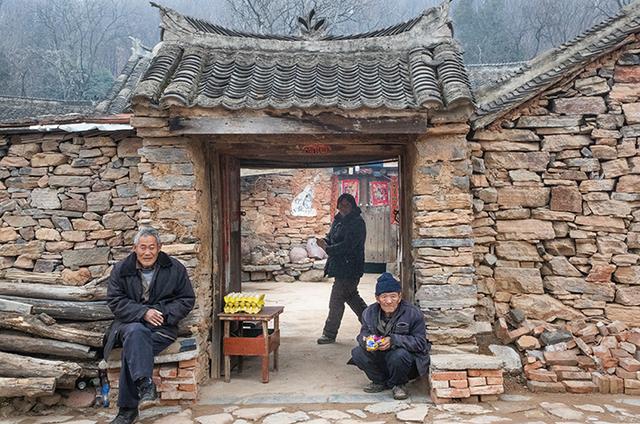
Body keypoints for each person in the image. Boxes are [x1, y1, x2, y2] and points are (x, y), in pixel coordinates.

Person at [103, 227, 195, 424]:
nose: (147, 252)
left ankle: (127, 411)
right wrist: (142, 313)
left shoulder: (174, 268)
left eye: (152, 247)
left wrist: (164, 314)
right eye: (143, 247)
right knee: (136, 333)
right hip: (129, 325)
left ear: (159, 248)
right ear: (135, 248)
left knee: (133, 348)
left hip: (162, 328)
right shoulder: (121, 269)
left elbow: (186, 299)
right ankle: (145, 384)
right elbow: (115, 300)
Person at [349, 272, 430, 400]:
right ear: (377, 298)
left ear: (399, 296)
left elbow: (421, 343)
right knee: (357, 353)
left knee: (399, 355)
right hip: (381, 357)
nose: (388, 301)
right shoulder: (369, 312)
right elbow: (362, 334)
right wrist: (367, 341)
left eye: (393, 296)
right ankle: (379, 381)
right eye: (384, 297)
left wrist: (394, 340)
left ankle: (399, 384)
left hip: (405, 363)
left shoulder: (413, 313)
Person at [316, 192, 367, 344]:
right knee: (352, 298)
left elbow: (348, 246)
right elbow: (331, 238)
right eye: (341, 205)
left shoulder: (357, 223)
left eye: (347, 205)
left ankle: (329, 333)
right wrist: (324, 241)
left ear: (352, 206)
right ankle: (374, 324)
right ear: (338, 206)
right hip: (339, 267)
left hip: (350, 267)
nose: (344, 208)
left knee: (336, 301)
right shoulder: (338, 220)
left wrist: (328, 249)